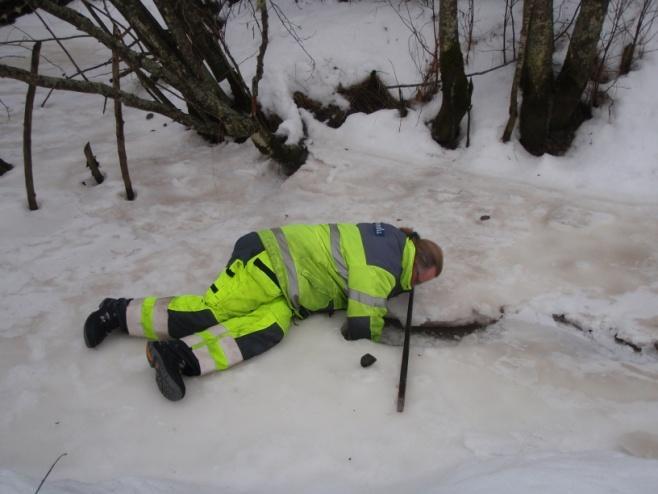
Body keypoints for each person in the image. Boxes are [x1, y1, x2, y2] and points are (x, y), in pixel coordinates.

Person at [84, 222, 443, 401]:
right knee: (213, 313)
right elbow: (363, 321)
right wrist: (376, 348)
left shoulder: (393, 243)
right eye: (418, 280)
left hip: (288, 294)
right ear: (416, 262)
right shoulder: (383, 263)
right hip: (268, 261)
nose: (415, 286)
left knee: (265, 331)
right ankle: (115, 313)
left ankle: (178, 357)